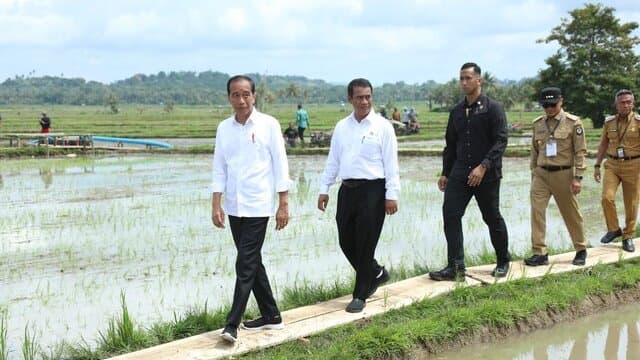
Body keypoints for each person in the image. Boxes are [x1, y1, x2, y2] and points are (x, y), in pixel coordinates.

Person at [211, 75, 291, 343]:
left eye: (246, 94)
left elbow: (280, 164)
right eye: (236, 95)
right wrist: (216, 203)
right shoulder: (224, 128)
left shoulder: (268, 125)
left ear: (254, 96)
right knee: (252, 261)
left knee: (244, 263)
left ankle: (232, 325)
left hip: (258, 206)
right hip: (234, 206)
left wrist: (283, 204)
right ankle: (272, 316)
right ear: (229, 98)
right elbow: (219, 167)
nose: (241, 100)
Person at [317, 78, 400, 313]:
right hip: (347, 190)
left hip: (373, 190)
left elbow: (391, 163)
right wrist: (325, 188)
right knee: (346, 240)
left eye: (368, 97)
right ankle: (375, 273)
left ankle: (360, 294)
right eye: (359, 97)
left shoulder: (383, 126)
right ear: (350, 99)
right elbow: (333, 160)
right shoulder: (342, 127)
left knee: (365, 243)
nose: (364, 101)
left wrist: (391, 194)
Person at [429, 62, 510, 281]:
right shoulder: (456, 111)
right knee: (451, 214)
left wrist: (483, 166)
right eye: (461, 78)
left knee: (491, 217)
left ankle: (503, 261)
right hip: (460, 172)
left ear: (478, 80)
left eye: (468, 78)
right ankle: (456, 267)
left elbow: (501, 141)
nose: (464, 82)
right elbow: (450, 144)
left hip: (486, 174)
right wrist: (445, 172)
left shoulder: (493, 108)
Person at [525, 87, 588, 267]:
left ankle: (581, 249)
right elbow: (534, 151)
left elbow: (580, 152)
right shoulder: (538, 124)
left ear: (561, 101)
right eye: (546, 105)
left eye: (553, 104)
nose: (550, 108)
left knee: (571, 213)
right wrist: (534, 173)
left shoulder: (573, 123)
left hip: (564, 174)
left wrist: (578, 177)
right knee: (537, 212)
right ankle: (540, 253)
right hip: (541, 174)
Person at [594, 89, 640, 253]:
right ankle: (614, 229)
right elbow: (603, 144)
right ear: (616, 104)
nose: (626, 105)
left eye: (629, 102)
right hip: (612, 164)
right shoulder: (609, 122)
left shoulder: (639, 121)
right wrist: (597, 165)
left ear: (633, 103)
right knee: (607, 197)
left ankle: (628, 236)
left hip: (634, 166)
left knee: (632, 204)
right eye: (623, 102)